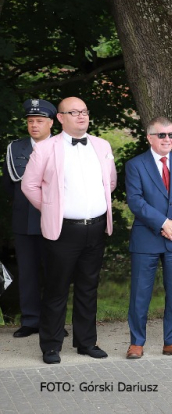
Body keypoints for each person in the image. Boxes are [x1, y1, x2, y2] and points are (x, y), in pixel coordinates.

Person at [21, 97, 117, 364]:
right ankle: (51, 346)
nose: (81, 116)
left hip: (96, 227)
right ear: (60, 118)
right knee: (56, 289)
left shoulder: (101, 145)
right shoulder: (45, 148)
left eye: (85, 111)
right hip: (62, 230)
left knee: (88, 287)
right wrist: (52, 208)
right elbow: (29, 186)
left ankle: (86, 342)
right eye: (74, 112)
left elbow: (109, 182)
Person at [125, 117, 172, 359]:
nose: (168, 139)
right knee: (140, 293)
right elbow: (136, 201)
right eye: (162, 135)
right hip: (147, 238)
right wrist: (163, 223)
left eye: (171, 134)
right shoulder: (136, 165)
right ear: (150, 138)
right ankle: (136, 342)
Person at [2, 99, 55, 338]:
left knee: (55, 272)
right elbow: (9, 185)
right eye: (31, 121)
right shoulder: (16, 148)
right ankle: (31, 320)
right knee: (28, 272)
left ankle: (52, 323)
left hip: (56, 218)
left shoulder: (62, 147)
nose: (34, 125)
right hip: (24, 219)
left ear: (51, 123)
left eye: (40, 121)